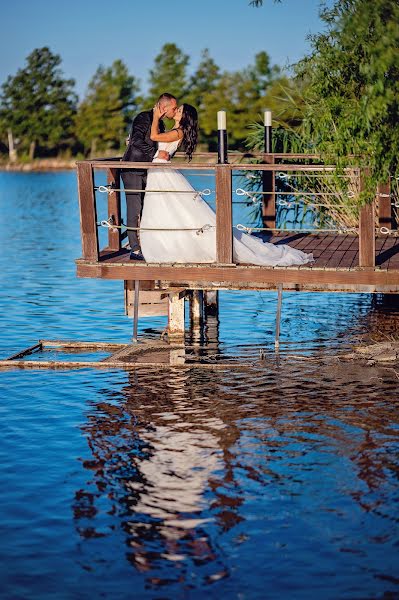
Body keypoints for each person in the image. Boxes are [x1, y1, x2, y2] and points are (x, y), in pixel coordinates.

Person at [139, 104, 314, 267]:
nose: (176, 110)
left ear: (185, 116)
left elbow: (154, 136)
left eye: (179, 110)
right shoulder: (174, 129)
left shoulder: (178, 132)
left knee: (169, 207)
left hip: (162, 170)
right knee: (163, 209)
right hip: (158, 170)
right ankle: (166, 243)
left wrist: (155, 116)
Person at [121, 93, 178, 260]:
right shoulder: (143, 118)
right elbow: (136, 141)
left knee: (148, 208)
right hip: (133, 168)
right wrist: (156, 153)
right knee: (134, 208)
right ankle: (135, 249)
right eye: (173, 108)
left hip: (148, 170)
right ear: (163, 107)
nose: (174, 111)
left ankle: (148, 244)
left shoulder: (159, 122)